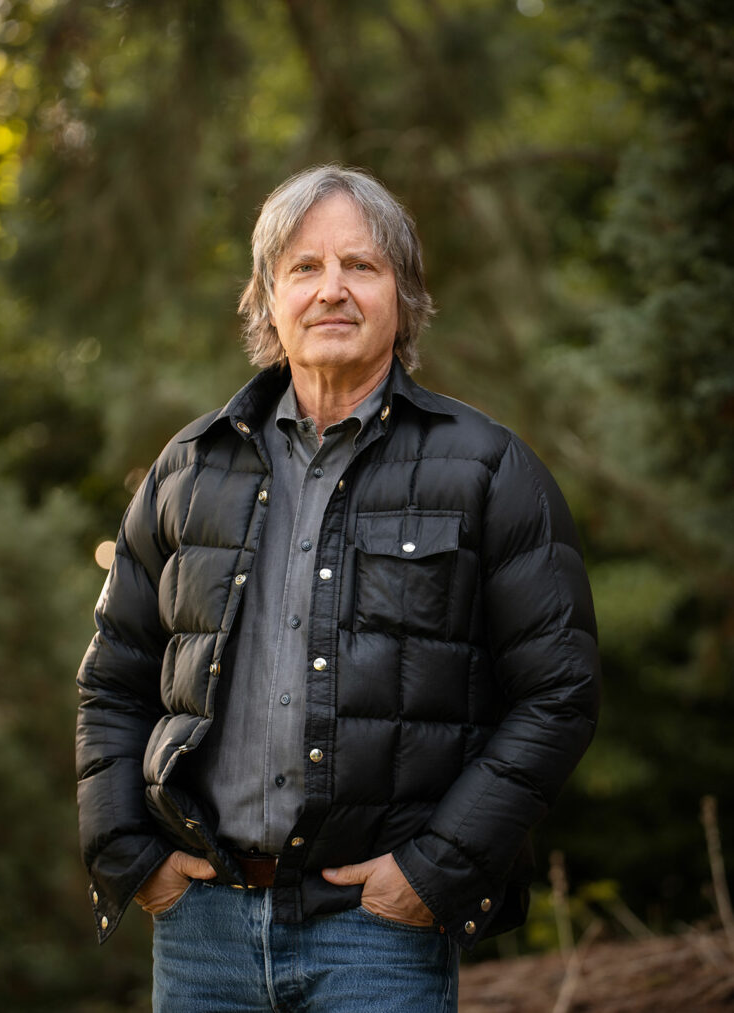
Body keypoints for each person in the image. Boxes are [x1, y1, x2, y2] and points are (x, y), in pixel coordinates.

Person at [75, 164, 601, 1012]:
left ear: (405, 296)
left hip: (379, 933)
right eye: (305, 268)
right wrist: (131, 857)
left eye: (361, 265)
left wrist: (432, 872)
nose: (333, 290)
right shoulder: (186, 469)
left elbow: (559, 692)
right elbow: (113, 678)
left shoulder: (491, 469)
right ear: (267, 299)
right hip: (200, 926)